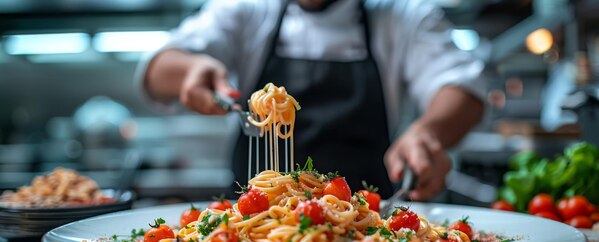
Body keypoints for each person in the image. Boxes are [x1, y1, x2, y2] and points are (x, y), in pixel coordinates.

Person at [136, 0, 485, 200]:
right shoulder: (247, 9)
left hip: (367, 230)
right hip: (249, 233)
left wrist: (429, 131)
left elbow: (463, 88)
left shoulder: (404, 13)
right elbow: (156, 69)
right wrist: (191, 68)